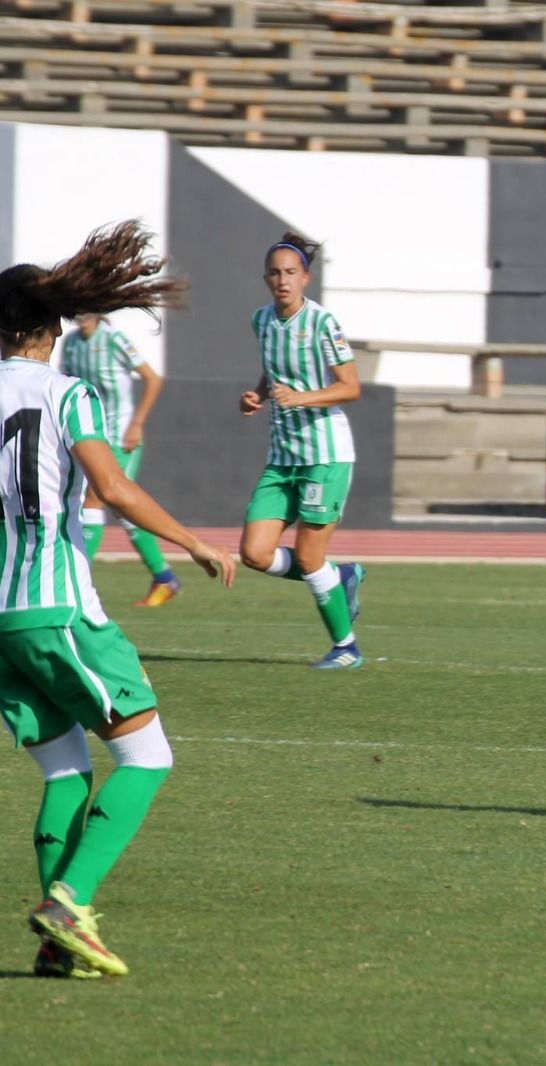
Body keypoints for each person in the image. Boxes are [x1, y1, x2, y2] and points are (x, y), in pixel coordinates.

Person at [0, 222, 236, 977]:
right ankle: (69, 899)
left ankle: (53, 944)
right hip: (58, 608)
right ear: (48, 330)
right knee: (146, 752)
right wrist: (193, 542)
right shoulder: (67, 393)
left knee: (65, 769)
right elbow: (112, 487)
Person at [237, 232, 366, 669]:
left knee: (310, 557)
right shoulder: (261, 320)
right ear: (266, 279)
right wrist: (258, 395)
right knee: (254, 552)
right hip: (282, 457)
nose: (282, 280)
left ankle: (346, 647)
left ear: (305, 278)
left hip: (324, 456)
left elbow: (351, 387)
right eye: (275, 273)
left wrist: (300, 397)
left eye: (291, 272)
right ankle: (339, 577)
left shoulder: (323, 324)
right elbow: (273, 374)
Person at [59, 312, 182, 606]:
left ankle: (77, 580)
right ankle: (164, 578)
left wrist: (137, 423)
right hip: (88, 437)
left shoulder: (114, 339)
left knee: (95, 501)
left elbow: (153, 378)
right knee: (124, 510)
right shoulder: (72, 343)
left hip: (119, 436)